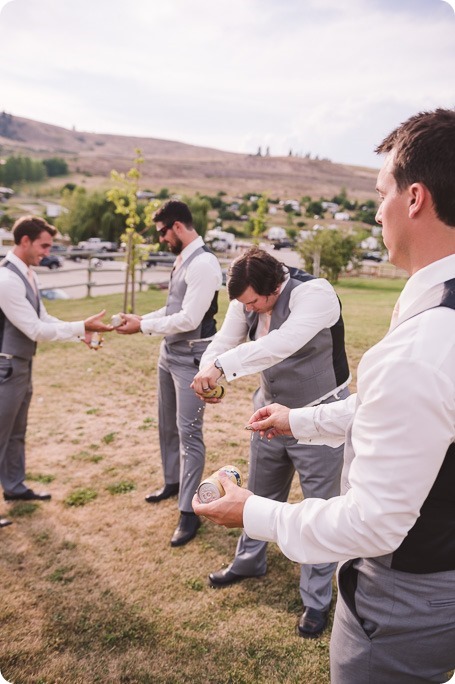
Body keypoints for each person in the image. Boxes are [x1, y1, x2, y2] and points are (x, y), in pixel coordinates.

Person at [193, 108, 455, 683]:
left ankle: (315, 604)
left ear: (414, 199)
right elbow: (418, 414)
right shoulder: (438, 332)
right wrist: (297, 420)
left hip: (404, 598)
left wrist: (252, 512)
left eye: (380, 191)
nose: (376, 209)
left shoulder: (417, 341)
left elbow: (372, 524)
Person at [191, 246, 351, 638]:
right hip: (266, 414)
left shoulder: (316, 294)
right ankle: (249, 560)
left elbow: (282, 343)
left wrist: (222, 368)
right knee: (259, 492)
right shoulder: (247, 297)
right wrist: (205, 370)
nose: (249, 310)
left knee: (318, 507)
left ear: (275, 287)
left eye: (253, 303)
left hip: (319, 416)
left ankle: (316, 600)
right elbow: (223, 341)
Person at [115, 200, 223, 547]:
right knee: (166, 426)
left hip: (191, 358)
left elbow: (190, 319)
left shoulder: (204, 263)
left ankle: (189, 511)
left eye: (163, 232)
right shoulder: (183, 259)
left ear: (177, 226)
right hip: (169, 352)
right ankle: (172, 483)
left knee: (189, 433)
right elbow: (173, 308)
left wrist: (143, 327)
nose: (162, 239)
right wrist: (142, 319)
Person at [0, 215, 113, 525]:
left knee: (16, 433)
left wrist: (82, 331)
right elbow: (36, 330)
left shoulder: (27, 274)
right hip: (6, 367)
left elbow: (44, 318)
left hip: (20, 366)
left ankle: (13, 486)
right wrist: (81, 326)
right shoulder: (7, 280)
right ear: (24, 241)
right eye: (44, 245)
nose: (48, 252)